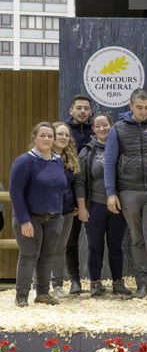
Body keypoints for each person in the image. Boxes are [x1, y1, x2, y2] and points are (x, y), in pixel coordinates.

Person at [104, 89, 147, 301]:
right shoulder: (118, 129)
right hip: (128, 191)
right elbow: (110, 163)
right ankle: (142, 285)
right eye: (139, 107)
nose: (143, 111)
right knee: (137, 239)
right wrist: (111, 193)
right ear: (130, 106)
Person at [9, 122, 68, 307]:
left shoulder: (57, 160)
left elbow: (59, 188)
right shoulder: (24, 161)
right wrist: (24, 220)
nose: (46, 139)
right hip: (30, 218)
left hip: (53, 218)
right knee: (28, 256)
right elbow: (16, 193)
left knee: (47, 256)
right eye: (42, 135)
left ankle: (42, 293)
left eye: (50, 136)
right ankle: (21, 296)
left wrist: (60, 213)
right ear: (34, 137)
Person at [76, 113, 132, 297]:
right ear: (93, 129)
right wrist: (82, 207)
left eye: (105, 125)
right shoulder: (87, 151)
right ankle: (95, 284)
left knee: (116, 246)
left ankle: (118, 284)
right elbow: (80, 182)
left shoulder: (122, 149)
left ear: (112, 125)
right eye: (98, 126)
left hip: (117, 207)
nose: (102, 129)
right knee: (94, 246)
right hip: (95, 206)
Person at [65, 94, 95, 295]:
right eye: (79, 108)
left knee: (96, 241)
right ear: (71, 110)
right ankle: (75, 281)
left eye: (86, 108)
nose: (82, 111)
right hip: (71, 194)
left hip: (96, 194)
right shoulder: (63, 132)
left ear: (90, 111)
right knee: (71, 241)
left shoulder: (98, 129)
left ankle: (96, 282)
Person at [49, 122, 81, 298]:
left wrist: (76, 203)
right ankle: (38, 284)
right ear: (52, 136)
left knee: (61, 249)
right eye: (60, 134)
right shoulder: (42, 157)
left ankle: (58, 285)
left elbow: (74, 184)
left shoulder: (70, 158)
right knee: (44, 248)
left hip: (67, 210)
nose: (63, 138)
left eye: (66, 135)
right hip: (47, 210)